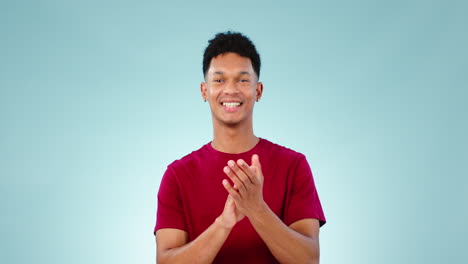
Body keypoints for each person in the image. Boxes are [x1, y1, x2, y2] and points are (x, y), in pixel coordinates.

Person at [154, 31, 326, 264]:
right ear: (205, 91)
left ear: (258, 91)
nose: (231, 90)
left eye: (243, 80)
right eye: (219, 80)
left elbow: (308, 260)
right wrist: (223, 224)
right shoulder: (177, 175)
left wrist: (257, 210)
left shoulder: (294, 165)